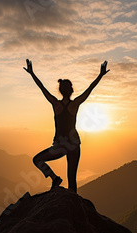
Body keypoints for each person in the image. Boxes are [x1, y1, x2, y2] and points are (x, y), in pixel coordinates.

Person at [24, 59, 109, 193]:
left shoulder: (56, 104)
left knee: (37, 160)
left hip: (60, 146)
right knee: (72, 180)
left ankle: (54, 178)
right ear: (71, 90)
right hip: (74, 144)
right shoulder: (74, 105)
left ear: (60, 90)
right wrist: (100, 75)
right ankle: (74, 207)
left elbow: (42, 88)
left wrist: (32, 73)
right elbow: (90, 89)